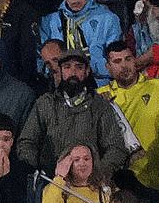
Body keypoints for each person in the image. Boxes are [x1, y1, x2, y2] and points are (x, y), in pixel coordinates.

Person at [17, 48, 129, 177]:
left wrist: (97, 175)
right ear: (60, 71)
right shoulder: (45, 103)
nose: (73, 72)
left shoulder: (100, 105)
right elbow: (27, 141)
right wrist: (38, 170)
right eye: (67, 67)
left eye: (79, 67)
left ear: (87, 72)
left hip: (91, 185)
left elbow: (116, 147)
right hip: (51, 181)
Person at [39, 0, 121, 87]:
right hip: (60, 87)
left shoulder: (108, 19)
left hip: (100, 87)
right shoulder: (49, 22)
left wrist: (88, 67)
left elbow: (116, 61)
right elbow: (41, 63)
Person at [99, 41, 159, 191]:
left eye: (128, 59)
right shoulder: (99, 97)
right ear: (108, 67)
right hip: (119, 183)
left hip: (154, 177)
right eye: (117, 61)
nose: (124, 66)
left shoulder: (156, 87)